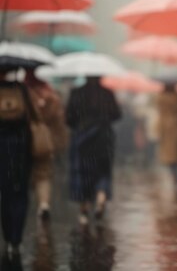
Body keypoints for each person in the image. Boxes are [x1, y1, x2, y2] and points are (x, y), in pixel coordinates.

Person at [66, 76, 121, 225]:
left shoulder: (76, 93)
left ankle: (84, 209)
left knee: (83, 173)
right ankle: (101, 198)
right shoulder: (107, 93)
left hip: (82, 139)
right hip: (104, 138)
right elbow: (117, 115)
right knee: (103, 171)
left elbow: (68, 119)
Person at [24, 68, 68, 221]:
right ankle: (43, 204)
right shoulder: (50, 94)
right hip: (44, 140)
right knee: (43, 173)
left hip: (22, 139)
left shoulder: (22, 92)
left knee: (23, 172)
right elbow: (59, 120)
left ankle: (23, 203)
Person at [0, 69, 33, 262]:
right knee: (20, 193)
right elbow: (33, 115)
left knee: (5, 193)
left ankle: (7, 235)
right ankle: (16, 238)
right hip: (21, 146)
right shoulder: (21, 89)